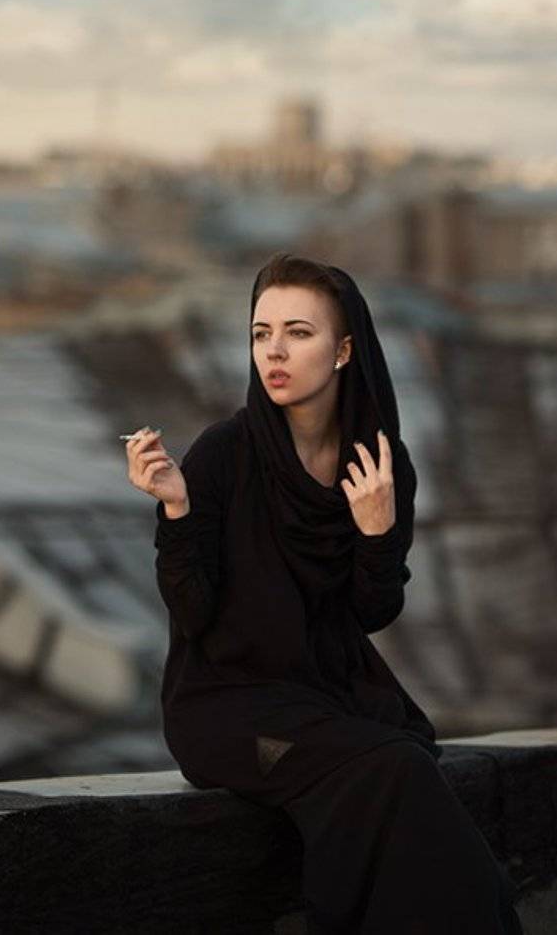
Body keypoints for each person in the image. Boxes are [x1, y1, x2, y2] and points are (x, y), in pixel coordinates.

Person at [125, 252, 523, 934]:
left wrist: (374, 532)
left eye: (298, 333)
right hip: (225, 711)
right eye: (260, 333)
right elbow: (192, 614)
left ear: (342, 350)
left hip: (321, 697)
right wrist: (176, 512)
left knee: (397, 763)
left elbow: (372, 611)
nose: (273, 351)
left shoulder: (380, 461)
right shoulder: (221, 454)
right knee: (392, 766)